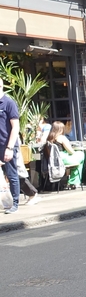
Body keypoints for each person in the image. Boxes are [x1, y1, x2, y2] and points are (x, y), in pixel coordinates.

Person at [0, 78, 20, 214]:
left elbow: (15, 126)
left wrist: (10, 147)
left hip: (6, 145)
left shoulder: (8, 103)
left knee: (12, 174)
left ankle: (15, 203)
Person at [47, 121, 84, 189]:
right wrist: (75, 152)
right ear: (60, 129)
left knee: (77, 162)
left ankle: (73, 182)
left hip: (53, 161)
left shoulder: (49, 139)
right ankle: (74, 182)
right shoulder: (61, 137)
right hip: (62, 159)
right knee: (81, 155)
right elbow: (70, 151)